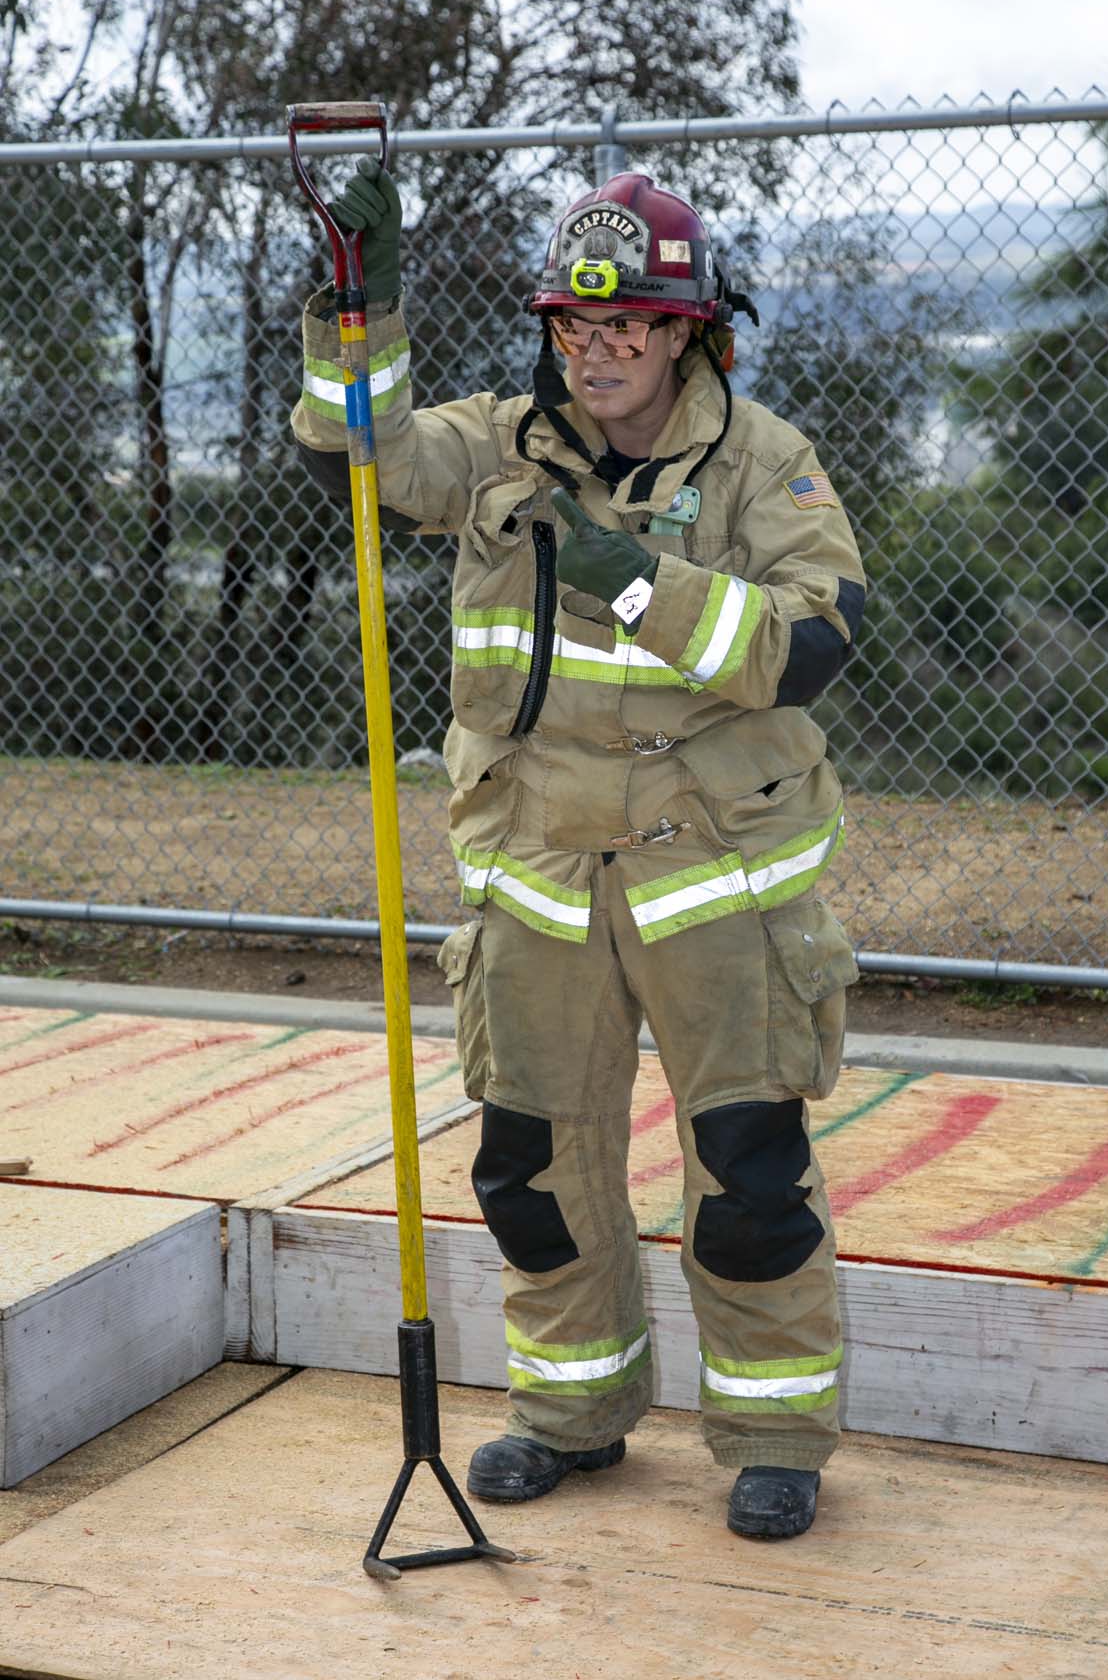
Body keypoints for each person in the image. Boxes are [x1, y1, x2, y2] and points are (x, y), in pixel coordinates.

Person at [291, 163, 866, 1541]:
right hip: (540, 877)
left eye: (628, 325)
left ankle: (776, 1434)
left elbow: (809, 643)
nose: (594, 348)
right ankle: (571, 1412)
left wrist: (622, 571)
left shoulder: (767, 463)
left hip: (711, 879)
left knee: (749, 1173)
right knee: (532, 1171)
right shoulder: (494, 443)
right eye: (572, 324)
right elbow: (352, 448)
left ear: (687, 332)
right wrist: (350, 307)